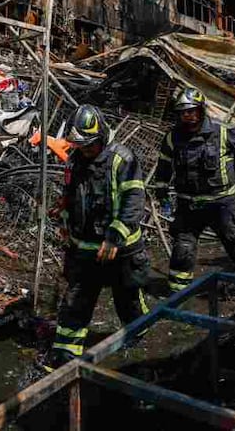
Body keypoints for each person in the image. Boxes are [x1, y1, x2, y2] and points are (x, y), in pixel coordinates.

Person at [47, 104, 149, 369]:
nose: (85, 150)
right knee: (75, 300)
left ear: (102, 136)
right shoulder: (75, 160)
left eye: (90, 145)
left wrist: (115, 235)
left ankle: (142, 340)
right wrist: (64, 207)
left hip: (121, 248)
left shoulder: (122, 159)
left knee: (127, 299)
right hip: (85, 247)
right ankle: (64, 357)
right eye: (80, 145)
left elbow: (133, 201)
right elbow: (73, 191)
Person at [152, 87, 235, 292]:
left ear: (201, 110)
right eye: (183, 112)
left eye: (191, 111)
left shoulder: (223, 131)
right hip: (188, 205)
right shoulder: (173, 138)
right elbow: (163, 168)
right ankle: (176, 296)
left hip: (222, 204)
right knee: (183, 250)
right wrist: (162, 193)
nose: (187, 116)